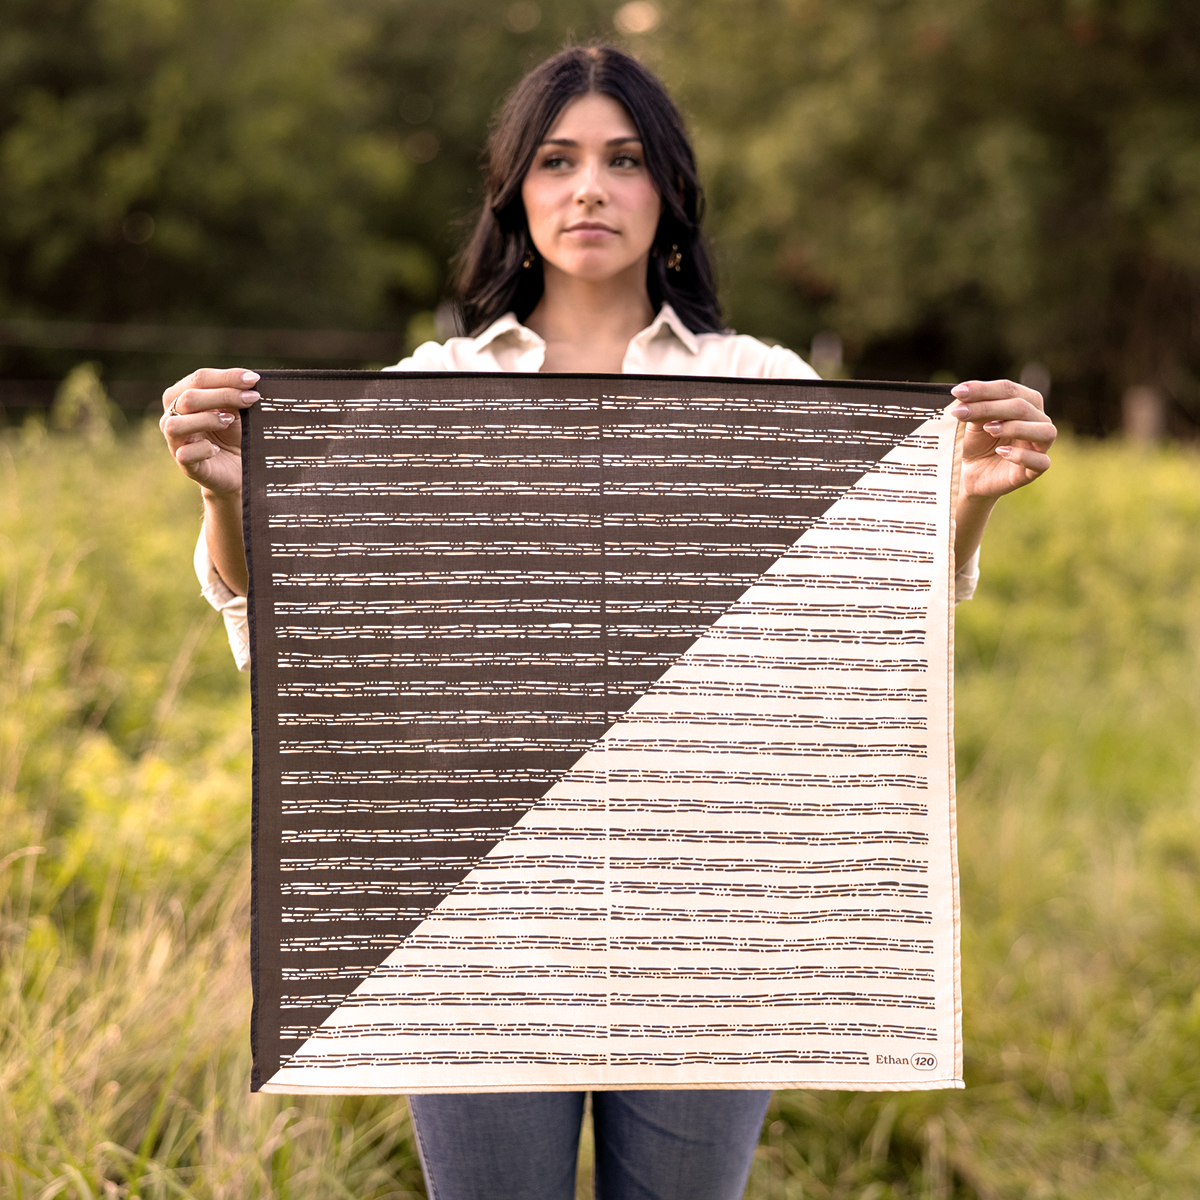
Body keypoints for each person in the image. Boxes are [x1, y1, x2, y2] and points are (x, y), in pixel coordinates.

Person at [160, 44, 1055, 1200]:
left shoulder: (760, 386)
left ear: (667, 194)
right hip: (482, 920)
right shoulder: (433, 392)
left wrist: (964, 505)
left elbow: (861, 611)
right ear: (516, 196)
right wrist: (228, 496)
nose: (590, 188)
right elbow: (291, 626)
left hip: (708, 918)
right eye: (558, 159)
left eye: (624, 161)